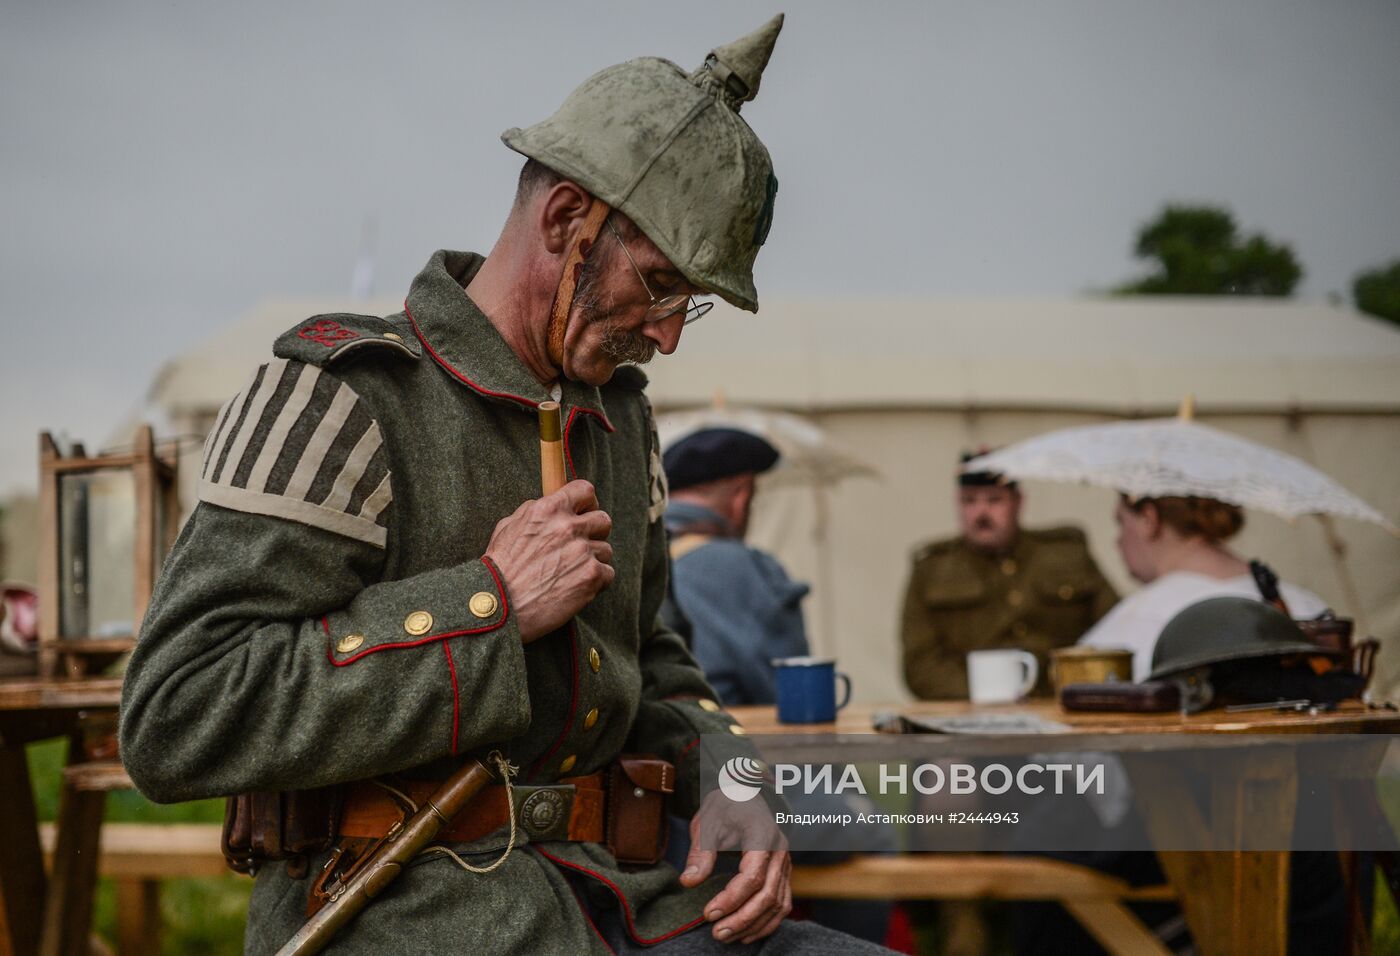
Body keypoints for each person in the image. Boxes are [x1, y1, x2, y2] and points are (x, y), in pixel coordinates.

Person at [120, 17, 892, 956]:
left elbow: (655, 661)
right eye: (657, 285)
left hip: (619, 907)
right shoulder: (342, 394)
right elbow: (178, 713)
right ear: (567, 220)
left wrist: (733, 783)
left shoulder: (620, 419)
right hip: (396, 922)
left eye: (687, 302)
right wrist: (490, 603)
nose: (669, 334)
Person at [660, 426, 896, 947]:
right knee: (872, 828)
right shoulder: (744, 566)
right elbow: (783, 691)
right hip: (737, 780)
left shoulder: (639, 558)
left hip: (654, 794)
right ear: (743, 494)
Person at [901, 451, 1119, 700]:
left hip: (1060, 703)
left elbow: (1115, 628)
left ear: (1018, 501)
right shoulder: (933, 568)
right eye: (969, 501)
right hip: (970, 712)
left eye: (994, 500)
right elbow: (921, 663)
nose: (981, 513)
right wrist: (986, 694)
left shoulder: (1065, 553)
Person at [1079, 494, 1328, 680]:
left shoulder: (1126, 630)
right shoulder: (1308, 608)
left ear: (1148, 519)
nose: (1118, 541)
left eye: (1121, 522)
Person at [661, 427, 803, 705]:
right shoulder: (750, 569)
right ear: (741, 495)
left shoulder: (625, 553)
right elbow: (791, 693)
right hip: (724, 743)